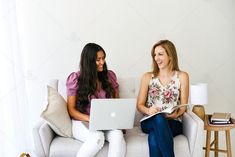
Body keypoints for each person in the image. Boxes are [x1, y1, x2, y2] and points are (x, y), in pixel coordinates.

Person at [66, 43, 126, 157]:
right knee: (97, 137)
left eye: (103, 58)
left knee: (118, 135)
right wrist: (89, 118)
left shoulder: (109, 76)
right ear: (88, 62)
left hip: (105, 122)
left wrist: (117, 119)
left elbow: (117, 103)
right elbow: (71, 110)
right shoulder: (75, 79)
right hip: (82, 121)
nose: (102, 62)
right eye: (98, 59)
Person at [137, 40, 189, 157]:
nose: (156, 58)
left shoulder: (182, 76)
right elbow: (139, 105)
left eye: (160, 54)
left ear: (170, 55)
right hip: (149, 121)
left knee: (154, 138)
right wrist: (149, 111)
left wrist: (175, 115)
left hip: (173, 122)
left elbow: (184, 107)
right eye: (154, 55)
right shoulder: (147, 77)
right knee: (159, 118)